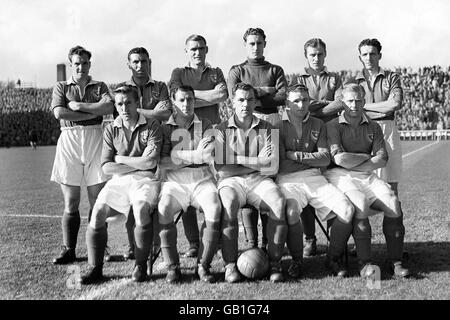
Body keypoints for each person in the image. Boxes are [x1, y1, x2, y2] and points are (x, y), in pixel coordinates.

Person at [324, 83, 410, 278]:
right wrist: (365, 157)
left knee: (393, 202)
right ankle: (364, 263)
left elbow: (382, 159)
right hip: (339, 175)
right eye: (350, 101)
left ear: (364, 101)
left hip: (366, 175)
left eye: (358, 100)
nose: (354, 105)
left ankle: (395, 261)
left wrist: (355, 161)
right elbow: (339, 159)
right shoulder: (332, 126)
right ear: (342, 102)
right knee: (360, 203)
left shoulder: (373, 125)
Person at [78, 85, 162, 284]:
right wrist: (135, 164)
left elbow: (150, 163)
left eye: (128, 103)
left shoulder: (152, 125)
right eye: (120, 104)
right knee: (97, 212)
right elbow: (107, 167)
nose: (124, 108)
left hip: (146, 180)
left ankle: (140, 267)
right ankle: (95, 269)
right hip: (119, 181)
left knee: (141, 209)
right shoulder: (110, 128)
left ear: (138, 103)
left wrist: (120, 158)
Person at [275, 84, 354, 278]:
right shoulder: (276, 125)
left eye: (304, 100)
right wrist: (310, 159)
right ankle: (297, 260)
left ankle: (333, 258)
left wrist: (295, 156)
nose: (301, 105)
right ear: (287, 104)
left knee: (347, 209)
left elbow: (326, 158)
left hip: (315, 178)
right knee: (291, 212)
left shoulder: (318, 124)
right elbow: (280, 165)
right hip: (287, 180)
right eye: (296, 101)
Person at [214, 82, 287, 283]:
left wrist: (235, 158)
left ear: (255, 102)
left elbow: (272, 167)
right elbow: (222, 168)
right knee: (228, 205)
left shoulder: (268, 128)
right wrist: (257, 162)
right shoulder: (220, 129)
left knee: (279, 204)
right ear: (232, 103)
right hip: (231, 180)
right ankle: (230, 265)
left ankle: (274, 263)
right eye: (241, 100)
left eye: (249, 99)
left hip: (259, 180)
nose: (245, 104)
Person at [51, 46, 114, 265]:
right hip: (69, 139)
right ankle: (69, 249)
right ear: (71, 65)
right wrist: (91, 111)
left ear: (89, 64)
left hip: (95, 139)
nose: (81, 67)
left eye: (84, 63)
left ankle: (101, 246)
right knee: (72, 200)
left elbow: (108, 107)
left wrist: (78, 106)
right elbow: (59, 112)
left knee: (97, 199)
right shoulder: (61, 86)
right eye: (76, 63)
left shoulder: (100, 86)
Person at [227, 27, 288, 251]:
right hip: (243, 121)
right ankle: (252, 242)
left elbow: (282, 97)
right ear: (245, 45)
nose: (255, 47)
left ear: (264, 44)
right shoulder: (236, 70)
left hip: (270, 122)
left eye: (259, 43)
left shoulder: (275, 69)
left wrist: (255, 94)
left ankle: (268, 240)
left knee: (268, 177)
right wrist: (264, 91)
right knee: (246, 177)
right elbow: (235, 94)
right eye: (251, 43)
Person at [168, 35, 228, 258]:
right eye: (193, 49)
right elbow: (175, 96)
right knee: (186, 187)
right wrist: (206, 96)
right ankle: (194, 243)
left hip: (211, 130)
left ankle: (213, 237)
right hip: (184, 131)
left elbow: (222, 94)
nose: (197, 52)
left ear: (207, 49)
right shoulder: (178, 73)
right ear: (186, 51)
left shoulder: (216, 72)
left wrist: (191, 95)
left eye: (201, 48)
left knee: (215, 185)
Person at [158, 85, 222, 283]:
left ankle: (203, 266)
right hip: (175, 181)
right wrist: (194, 155)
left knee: (214, 207)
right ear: (174, 102)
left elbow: (208, 154)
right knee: (164, 208)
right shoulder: (165, 127)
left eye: (190, 100)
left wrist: (177, 155)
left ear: (195, 101)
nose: (186, 104)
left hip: (202, 178)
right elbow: (162, 162)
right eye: (182, 100)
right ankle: (173, 267)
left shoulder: (206, 122)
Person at [289, 38, 346, 257]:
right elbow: (303, 105)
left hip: (331, 133)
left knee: (332, 185)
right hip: (308, 133)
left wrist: (316, 108)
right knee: (307, 185)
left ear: (325, 55)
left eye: (320, 54)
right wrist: (323, 106)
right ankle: (310, 239)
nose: (316, 58)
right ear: (306, 56)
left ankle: (335, 239)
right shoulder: (299, 79)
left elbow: (341, 102)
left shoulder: (334, 78)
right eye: (312, 54)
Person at [118, 47, 172, 261]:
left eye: (143, 61)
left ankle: (156, 243)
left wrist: (137, 111)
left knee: (158, 198)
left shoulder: (160, 86)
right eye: (135, 62)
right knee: (133, 201)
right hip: (133, 149)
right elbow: (123, 117)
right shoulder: (122, 89)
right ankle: (134, 245)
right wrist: (152, 113)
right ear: (129, 64)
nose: (140, 66)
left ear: (150, 62)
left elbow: (166, 113)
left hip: (158, 145)